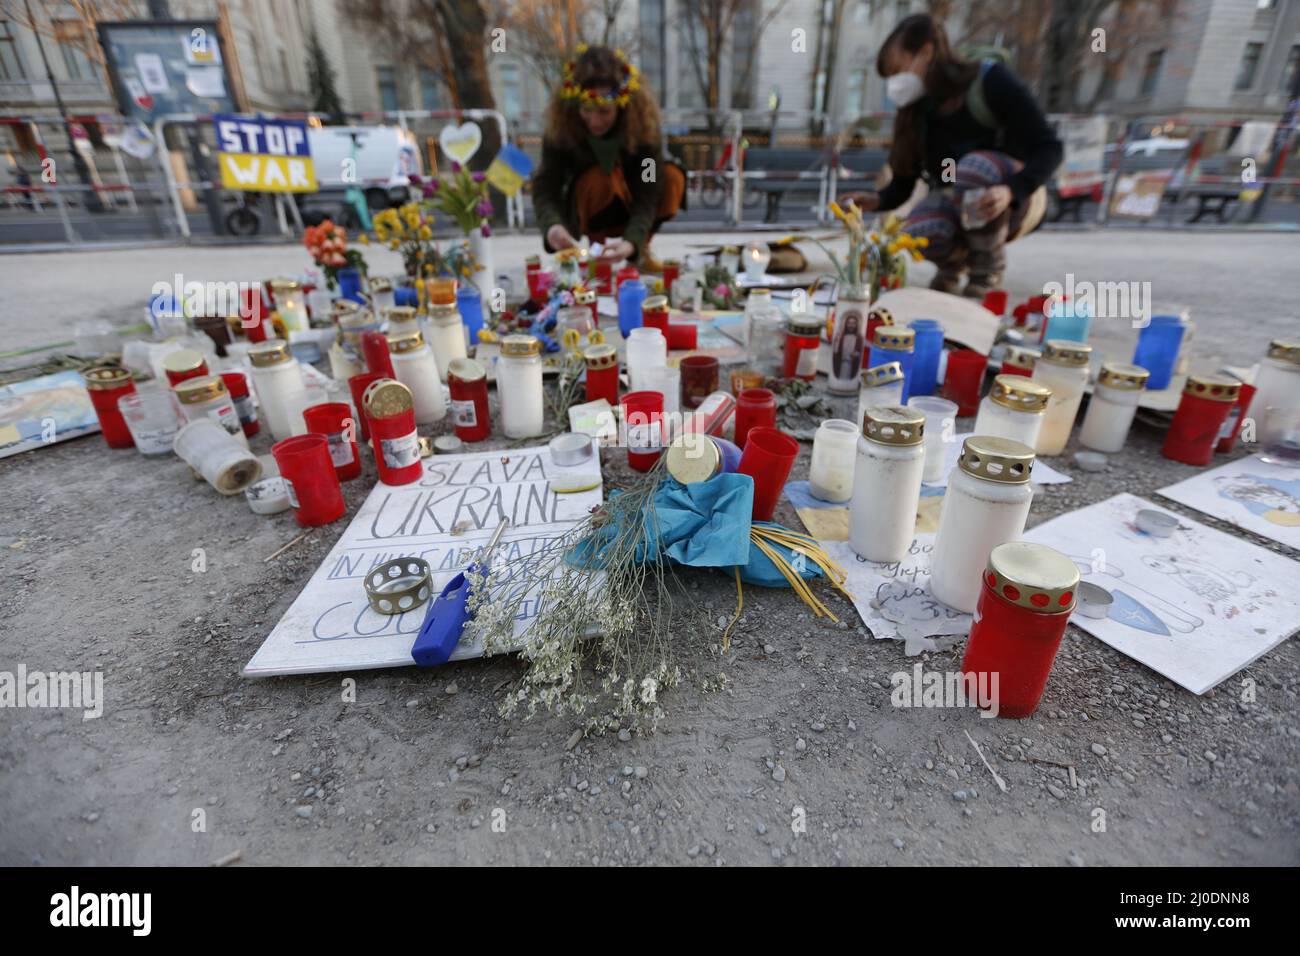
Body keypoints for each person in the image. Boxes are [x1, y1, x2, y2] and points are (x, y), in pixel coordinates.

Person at [842, 14, 1063, 299]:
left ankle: (986, 270)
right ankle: (953, 267)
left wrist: (1011, 190)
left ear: (927, 51)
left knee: (971, 169)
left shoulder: (991, 82)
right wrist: (880, 199)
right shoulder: (919, 110)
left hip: (1012, 200)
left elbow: (1050, 147)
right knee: (916, 229)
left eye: (899, 70)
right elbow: (904, 180)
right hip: (960, 201)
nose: (894, 84)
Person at [532, 44, 685, 273]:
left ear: (622, 107)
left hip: (634, 204)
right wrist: (552, 226)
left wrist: (632, 242)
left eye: (604, 112)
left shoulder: (645, 131)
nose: (595, 121)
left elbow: (649, 190)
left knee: (671, 177)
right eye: (587, 110)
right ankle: (598, 256)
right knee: (600, 177)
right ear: (575, 106)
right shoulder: (560, 129)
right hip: (590, 202)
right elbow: (545, 185)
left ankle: (640, 251)